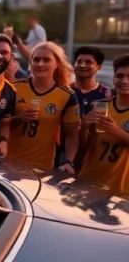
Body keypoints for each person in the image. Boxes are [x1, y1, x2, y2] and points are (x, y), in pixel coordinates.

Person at [7, 42, 80, 172]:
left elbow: (72, 135)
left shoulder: (67, 95)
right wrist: (18, 119)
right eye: (36, 60)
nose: (40, 64)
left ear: (57, 64)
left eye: (46, 60)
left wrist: (70, 162)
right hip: (6, 163)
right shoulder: (13, 87)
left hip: (41, 168)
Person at [75, 54, 129, 192]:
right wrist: (84, 128)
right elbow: (85, 146)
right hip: (89, 182)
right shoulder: (99, 106)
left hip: (120, 190)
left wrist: (117, 131)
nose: (124, 81)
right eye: (120, 76)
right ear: (114, 79)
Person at [71, 46, 113, 116]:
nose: (82, 65)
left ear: (99, 67)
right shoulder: (65, 91)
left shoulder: (105, 95)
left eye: (88, 62)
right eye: (79, 61)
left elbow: (99, 121)